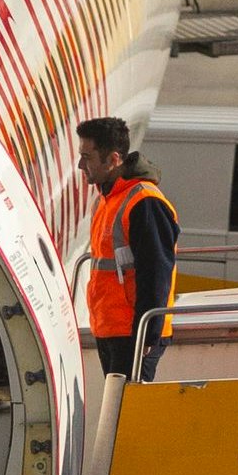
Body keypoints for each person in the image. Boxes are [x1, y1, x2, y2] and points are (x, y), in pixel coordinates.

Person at [76, 117, 177, 381]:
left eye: (87, 157)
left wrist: (147, 334)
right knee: (119, 416)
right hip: (110, 329)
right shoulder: (106, 200)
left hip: (133, 334)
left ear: (113, 159)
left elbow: (156, 274)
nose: (80, 165)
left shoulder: (144, 203)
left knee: (127, 416)